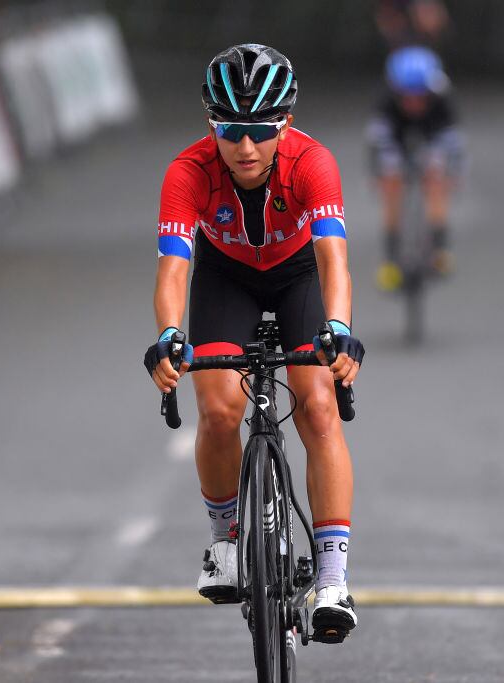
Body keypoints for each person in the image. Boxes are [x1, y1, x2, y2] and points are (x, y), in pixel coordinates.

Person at [143, 44, 364, 643]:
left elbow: (333, 259)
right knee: (219, 410)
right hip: (227, 279)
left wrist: (339, 329)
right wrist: (169, 336)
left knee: (317, 406)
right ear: (211, 124)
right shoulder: (187, 172)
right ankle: (226, 543)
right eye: (230, 130)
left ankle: (333, 578)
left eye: (261, 131)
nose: (245, 147)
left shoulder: (314, 163)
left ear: (284, 124)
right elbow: (174, 269)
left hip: (298, 277)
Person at [368, 45, 464, 291]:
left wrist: (453, 173)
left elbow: (453, 144)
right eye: (407, 97)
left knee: (436, 178)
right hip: (395, 136)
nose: (414, 103)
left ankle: (439, 249)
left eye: (421, 96)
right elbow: (377, 144)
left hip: (434, 134)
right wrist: (379, 175)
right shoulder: (386, 101)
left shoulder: (442, 99)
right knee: (391, 183)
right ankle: (391, 258)